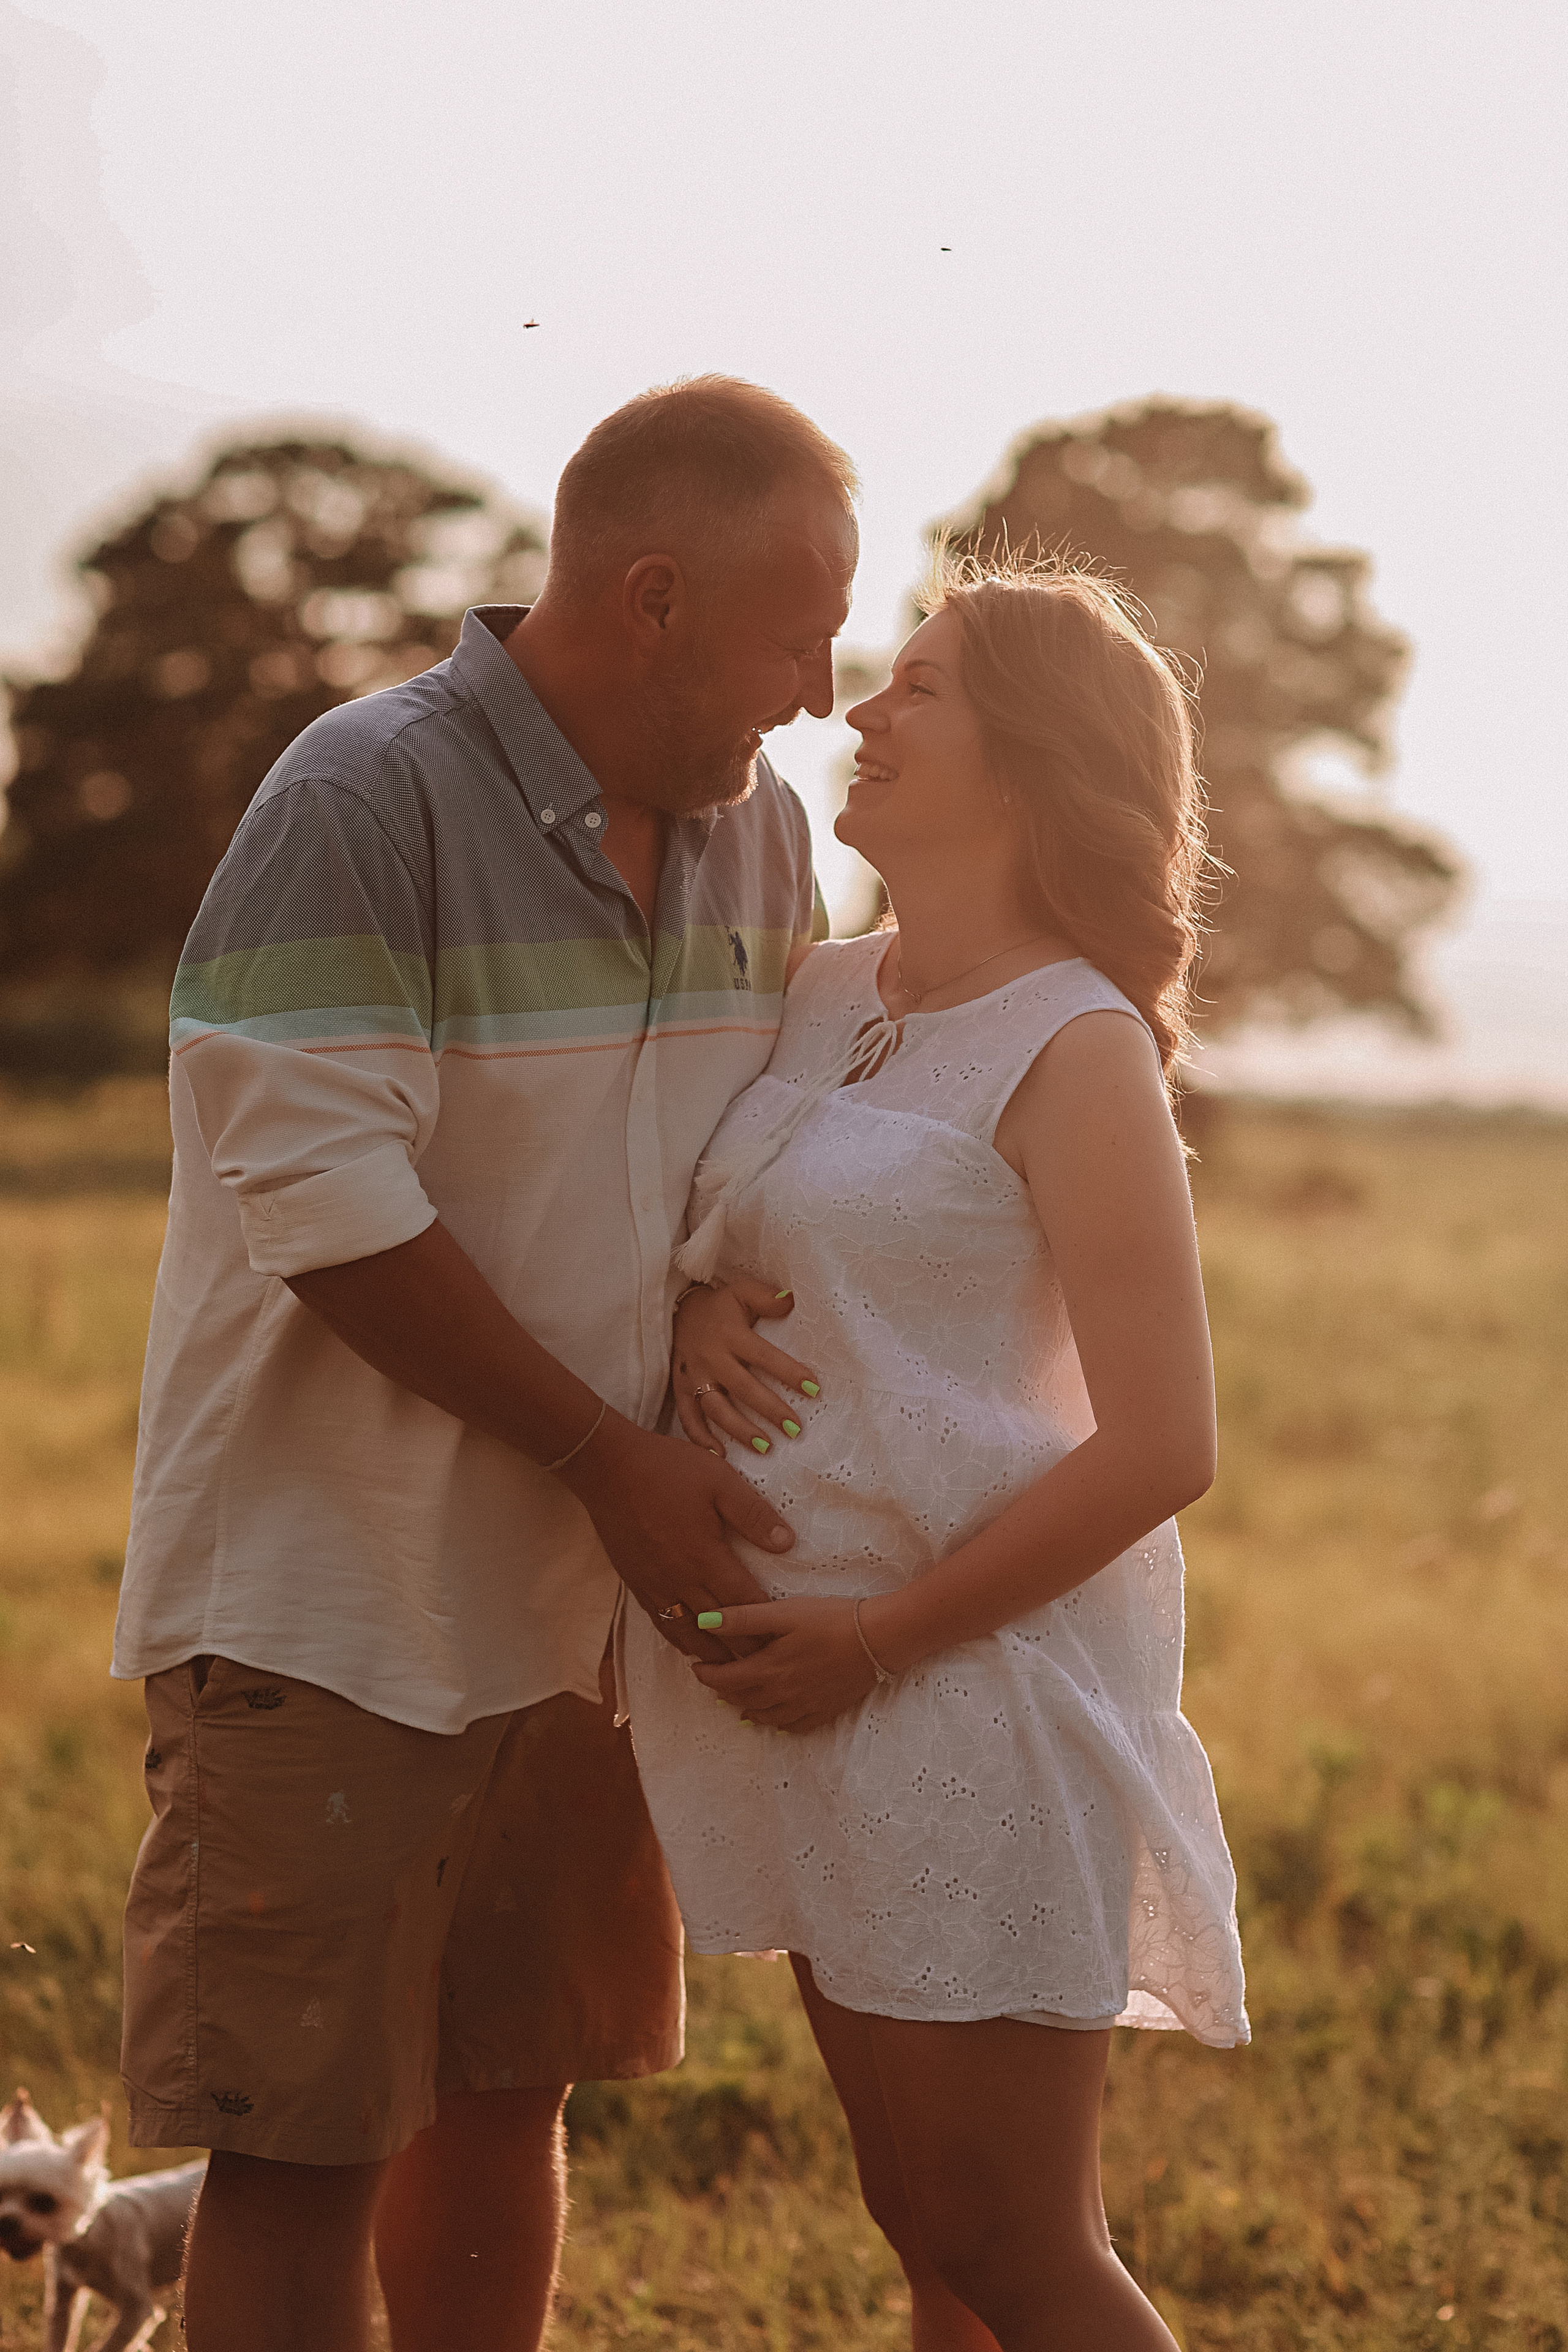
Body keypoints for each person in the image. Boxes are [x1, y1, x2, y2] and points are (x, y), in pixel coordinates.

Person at [111, 377, 859, 2352]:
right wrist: (616, 1456)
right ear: (652, 597)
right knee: (298, 2157)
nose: (827, 687)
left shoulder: (761, 838)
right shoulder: (362, 801)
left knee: (509, 2091)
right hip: (331, 1603)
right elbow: (324, 1203)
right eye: (802, 630)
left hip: (579, 1631)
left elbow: (742, 1150)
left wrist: (700, 1289)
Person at [625, 555, 1249, 2352]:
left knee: (1010, 2234)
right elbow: (741, 1235)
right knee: (927, 2227)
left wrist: (880, 1642)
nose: (860, 714)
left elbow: (1166, 1443)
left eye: (922, 688)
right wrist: (687, 1318)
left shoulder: (1075, 1048)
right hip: (800, 1688)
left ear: (1038, 761)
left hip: (957, 1685)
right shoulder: (821, 991)